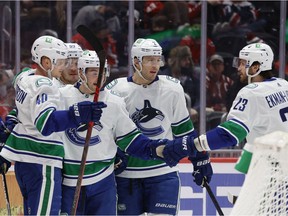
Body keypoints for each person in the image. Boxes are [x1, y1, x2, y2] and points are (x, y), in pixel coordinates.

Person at [58, 49, 212, 215]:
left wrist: (162, 149)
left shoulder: (113, 101)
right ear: (81, 72)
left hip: (104, 182)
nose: (100, 78)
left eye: (103, 72)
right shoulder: (61, 97)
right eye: (95, 72)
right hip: (72, 181)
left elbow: (132, 140)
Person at [0, 35, 106, 215]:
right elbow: (46, 122)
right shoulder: (48, 86)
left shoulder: (27, 78)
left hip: (27, 161)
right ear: (47, 62)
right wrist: (77, 114)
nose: (67, 67)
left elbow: (22, 84)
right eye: (63, 62)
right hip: (43, 159)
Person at [105, 38, 213, 215]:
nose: (155, 65)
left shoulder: (172, 88)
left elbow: (183, 130)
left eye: (157, 59)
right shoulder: (116, 90)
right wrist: (113, 153)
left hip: (163, 173)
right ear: (136, 61)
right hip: (127, 175)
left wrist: (200, 159)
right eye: (149, 60)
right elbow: (107, 132)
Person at [186, 43, 288, 175]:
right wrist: (242, 170)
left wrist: (194, 145)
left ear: (256, 67)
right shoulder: (283, 84)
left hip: (272, 168)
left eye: (243, 63)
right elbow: (258, 138)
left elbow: (230, 133)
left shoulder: (251, 93)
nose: (238, 68)